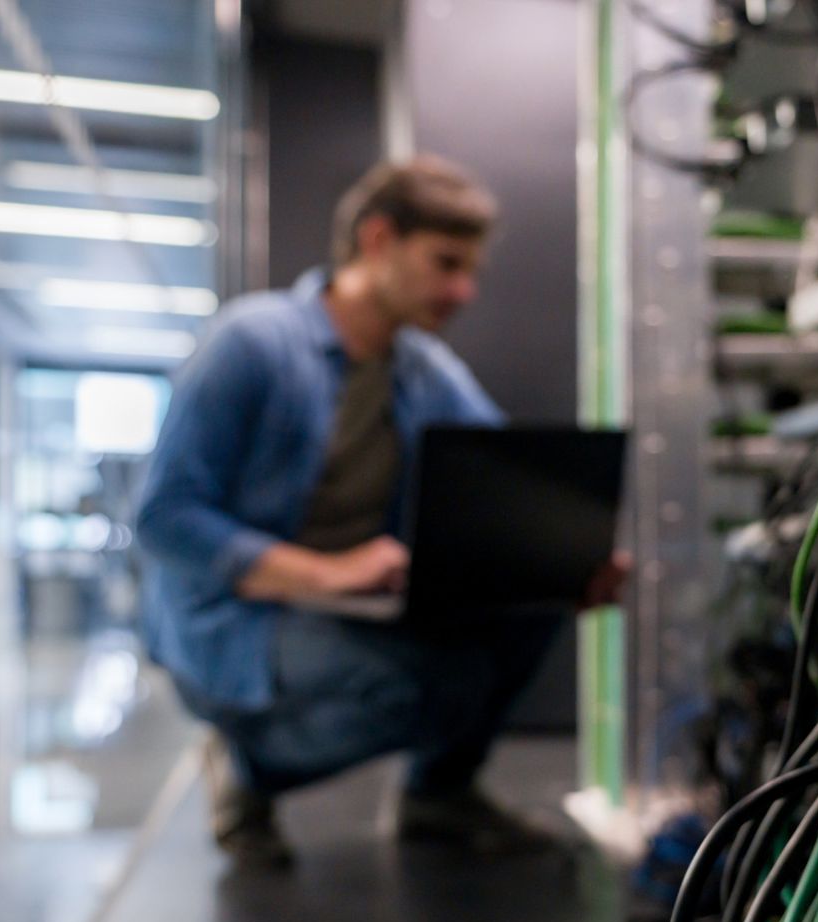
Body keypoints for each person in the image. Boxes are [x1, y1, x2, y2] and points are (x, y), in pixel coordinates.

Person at [135, 156, 623, 868]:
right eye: (446, 263)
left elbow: (506, 485)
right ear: (377, 240)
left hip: (352, 602)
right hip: (238, 614)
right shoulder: (251, 342)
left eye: (471, 269)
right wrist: (321, 574)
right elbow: (164, 518)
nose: (464, 290)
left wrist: (563, 561)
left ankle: (440, 796)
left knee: (531, 606)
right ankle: (246, 769)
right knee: (414, 690)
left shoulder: (425, 371)